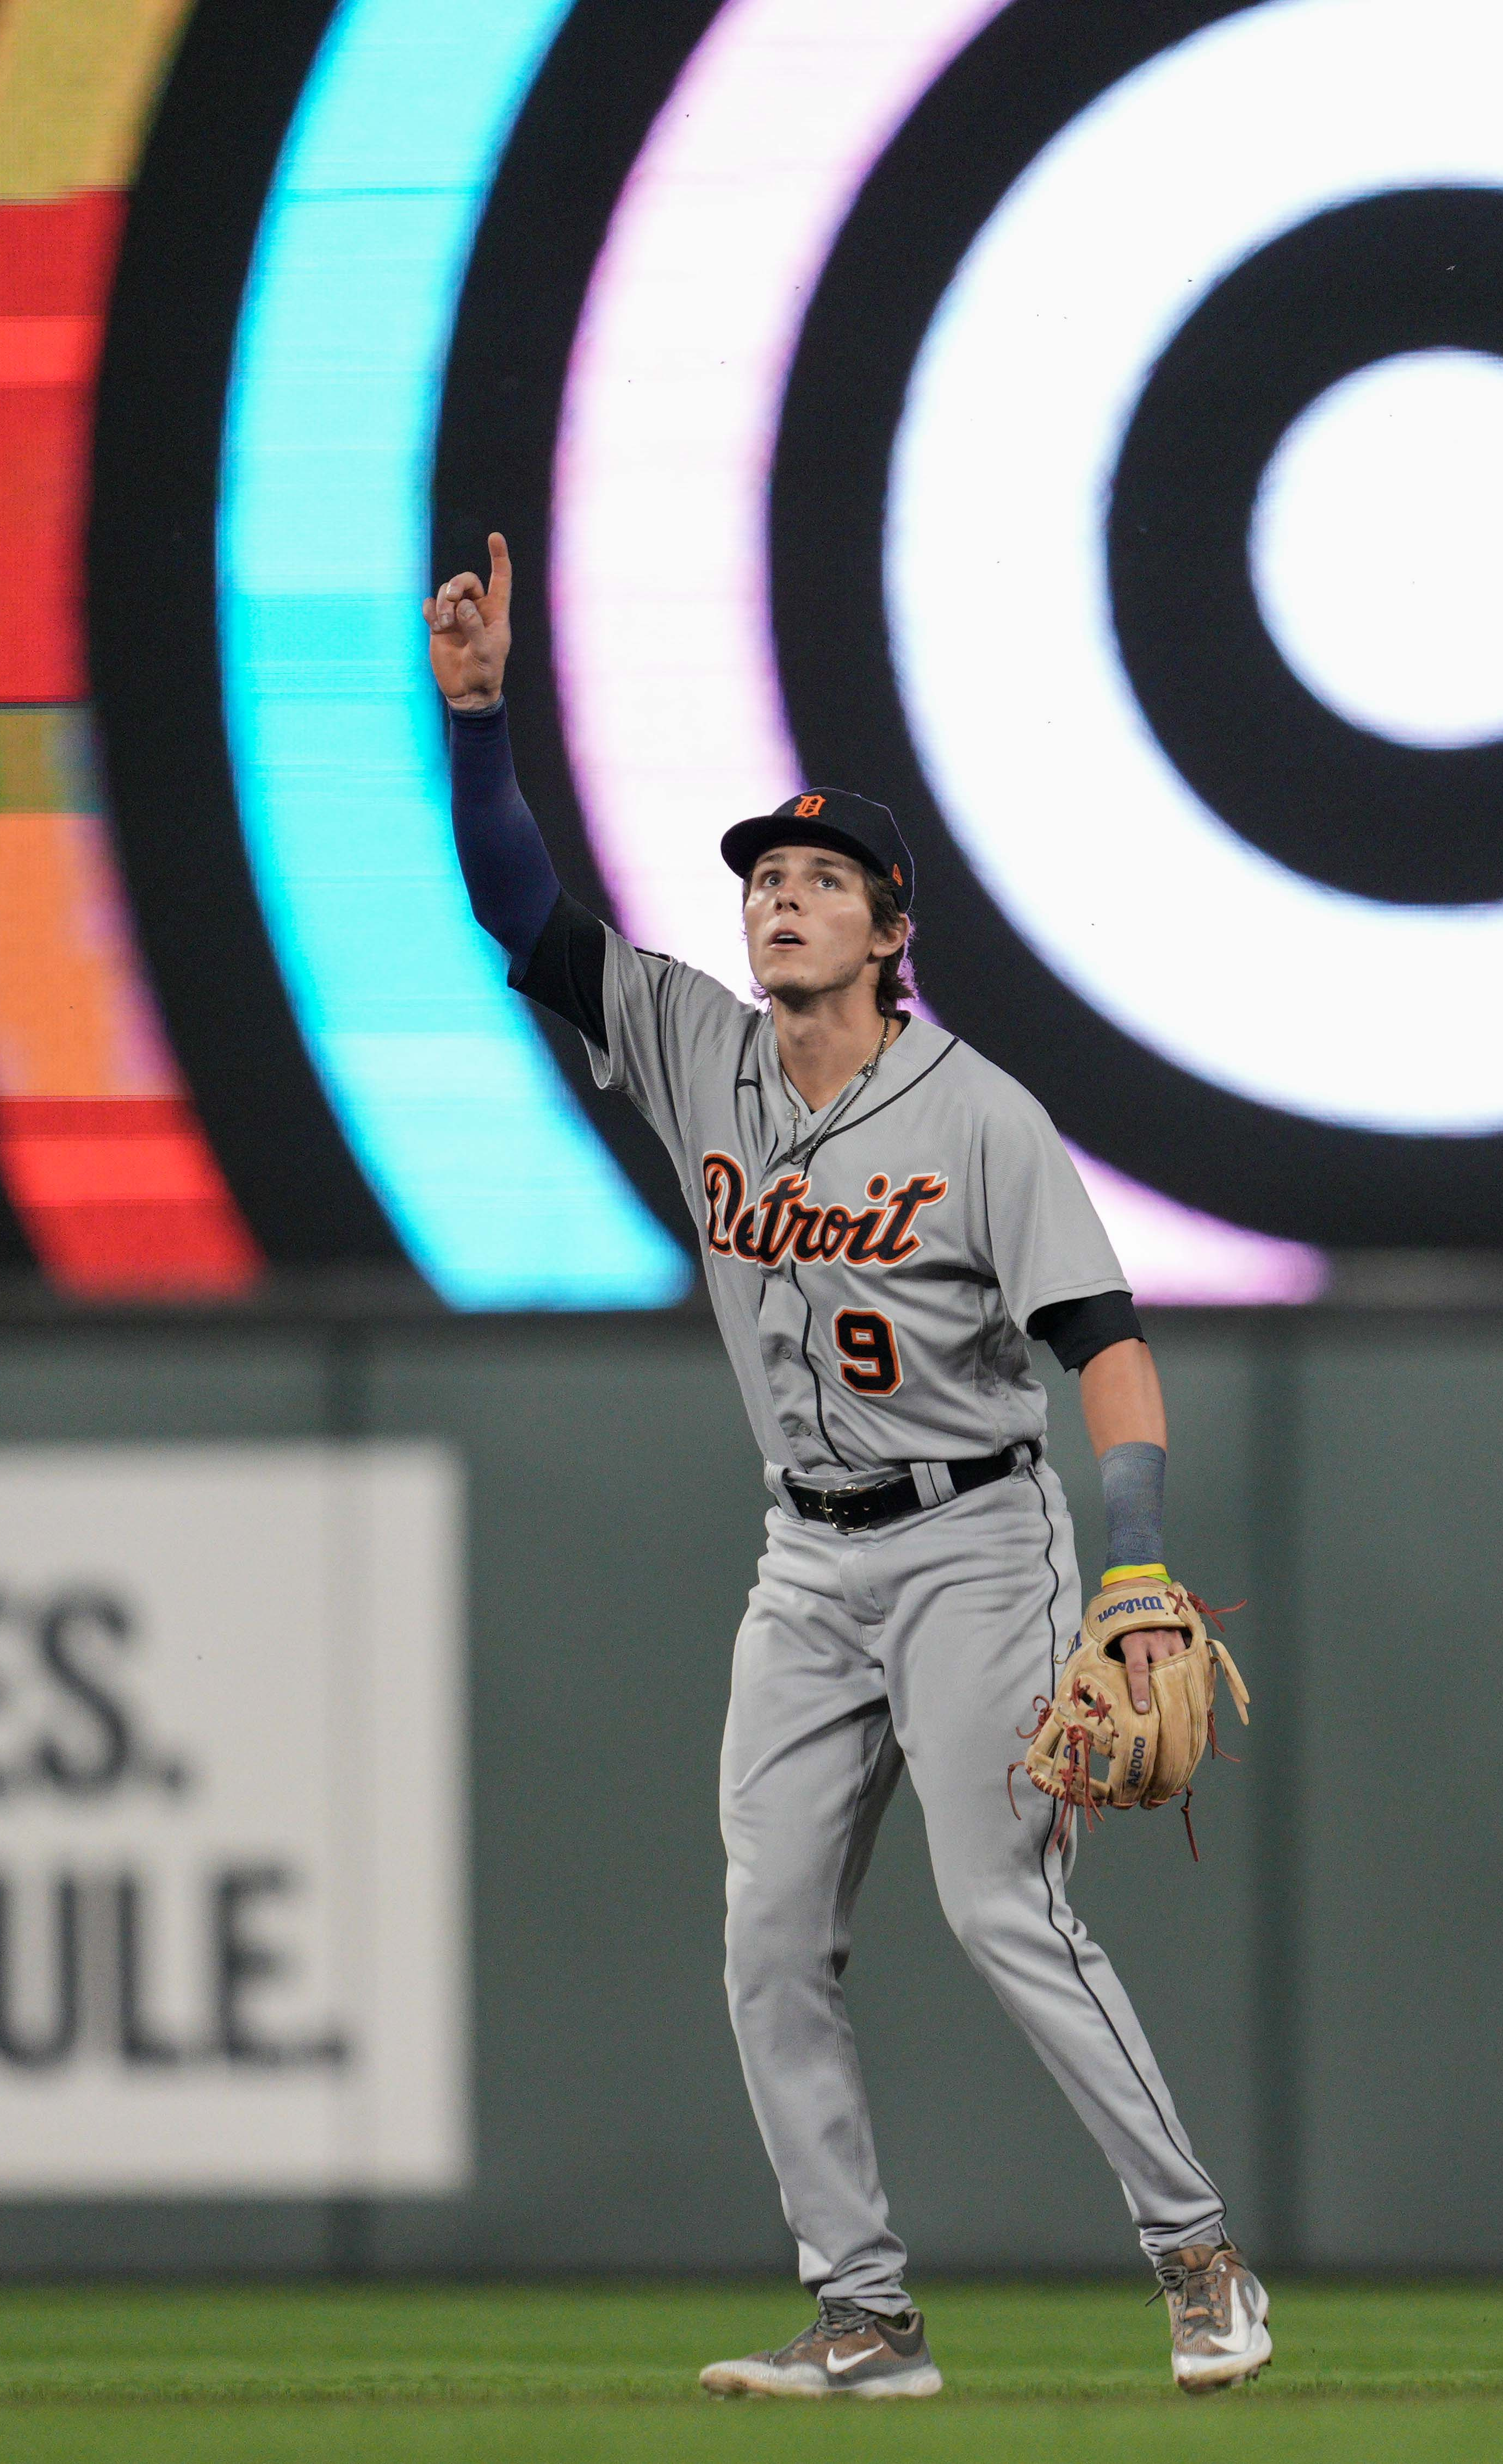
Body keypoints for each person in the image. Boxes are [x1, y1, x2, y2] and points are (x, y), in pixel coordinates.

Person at [427, 535, 1271, 2397]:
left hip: (979, 1541)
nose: (781, 903)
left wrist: (1131, 1565)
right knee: (765, 1929)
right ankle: (866, 2316)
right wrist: (478, 721)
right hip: (803, 1562)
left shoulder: (980, 1114)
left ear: (894, 928)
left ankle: (1197, 2253)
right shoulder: (691, 1046)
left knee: (1000, 1907)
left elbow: (1107, 1349)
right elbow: (529, 919)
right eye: (767, 879)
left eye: (821, 881)